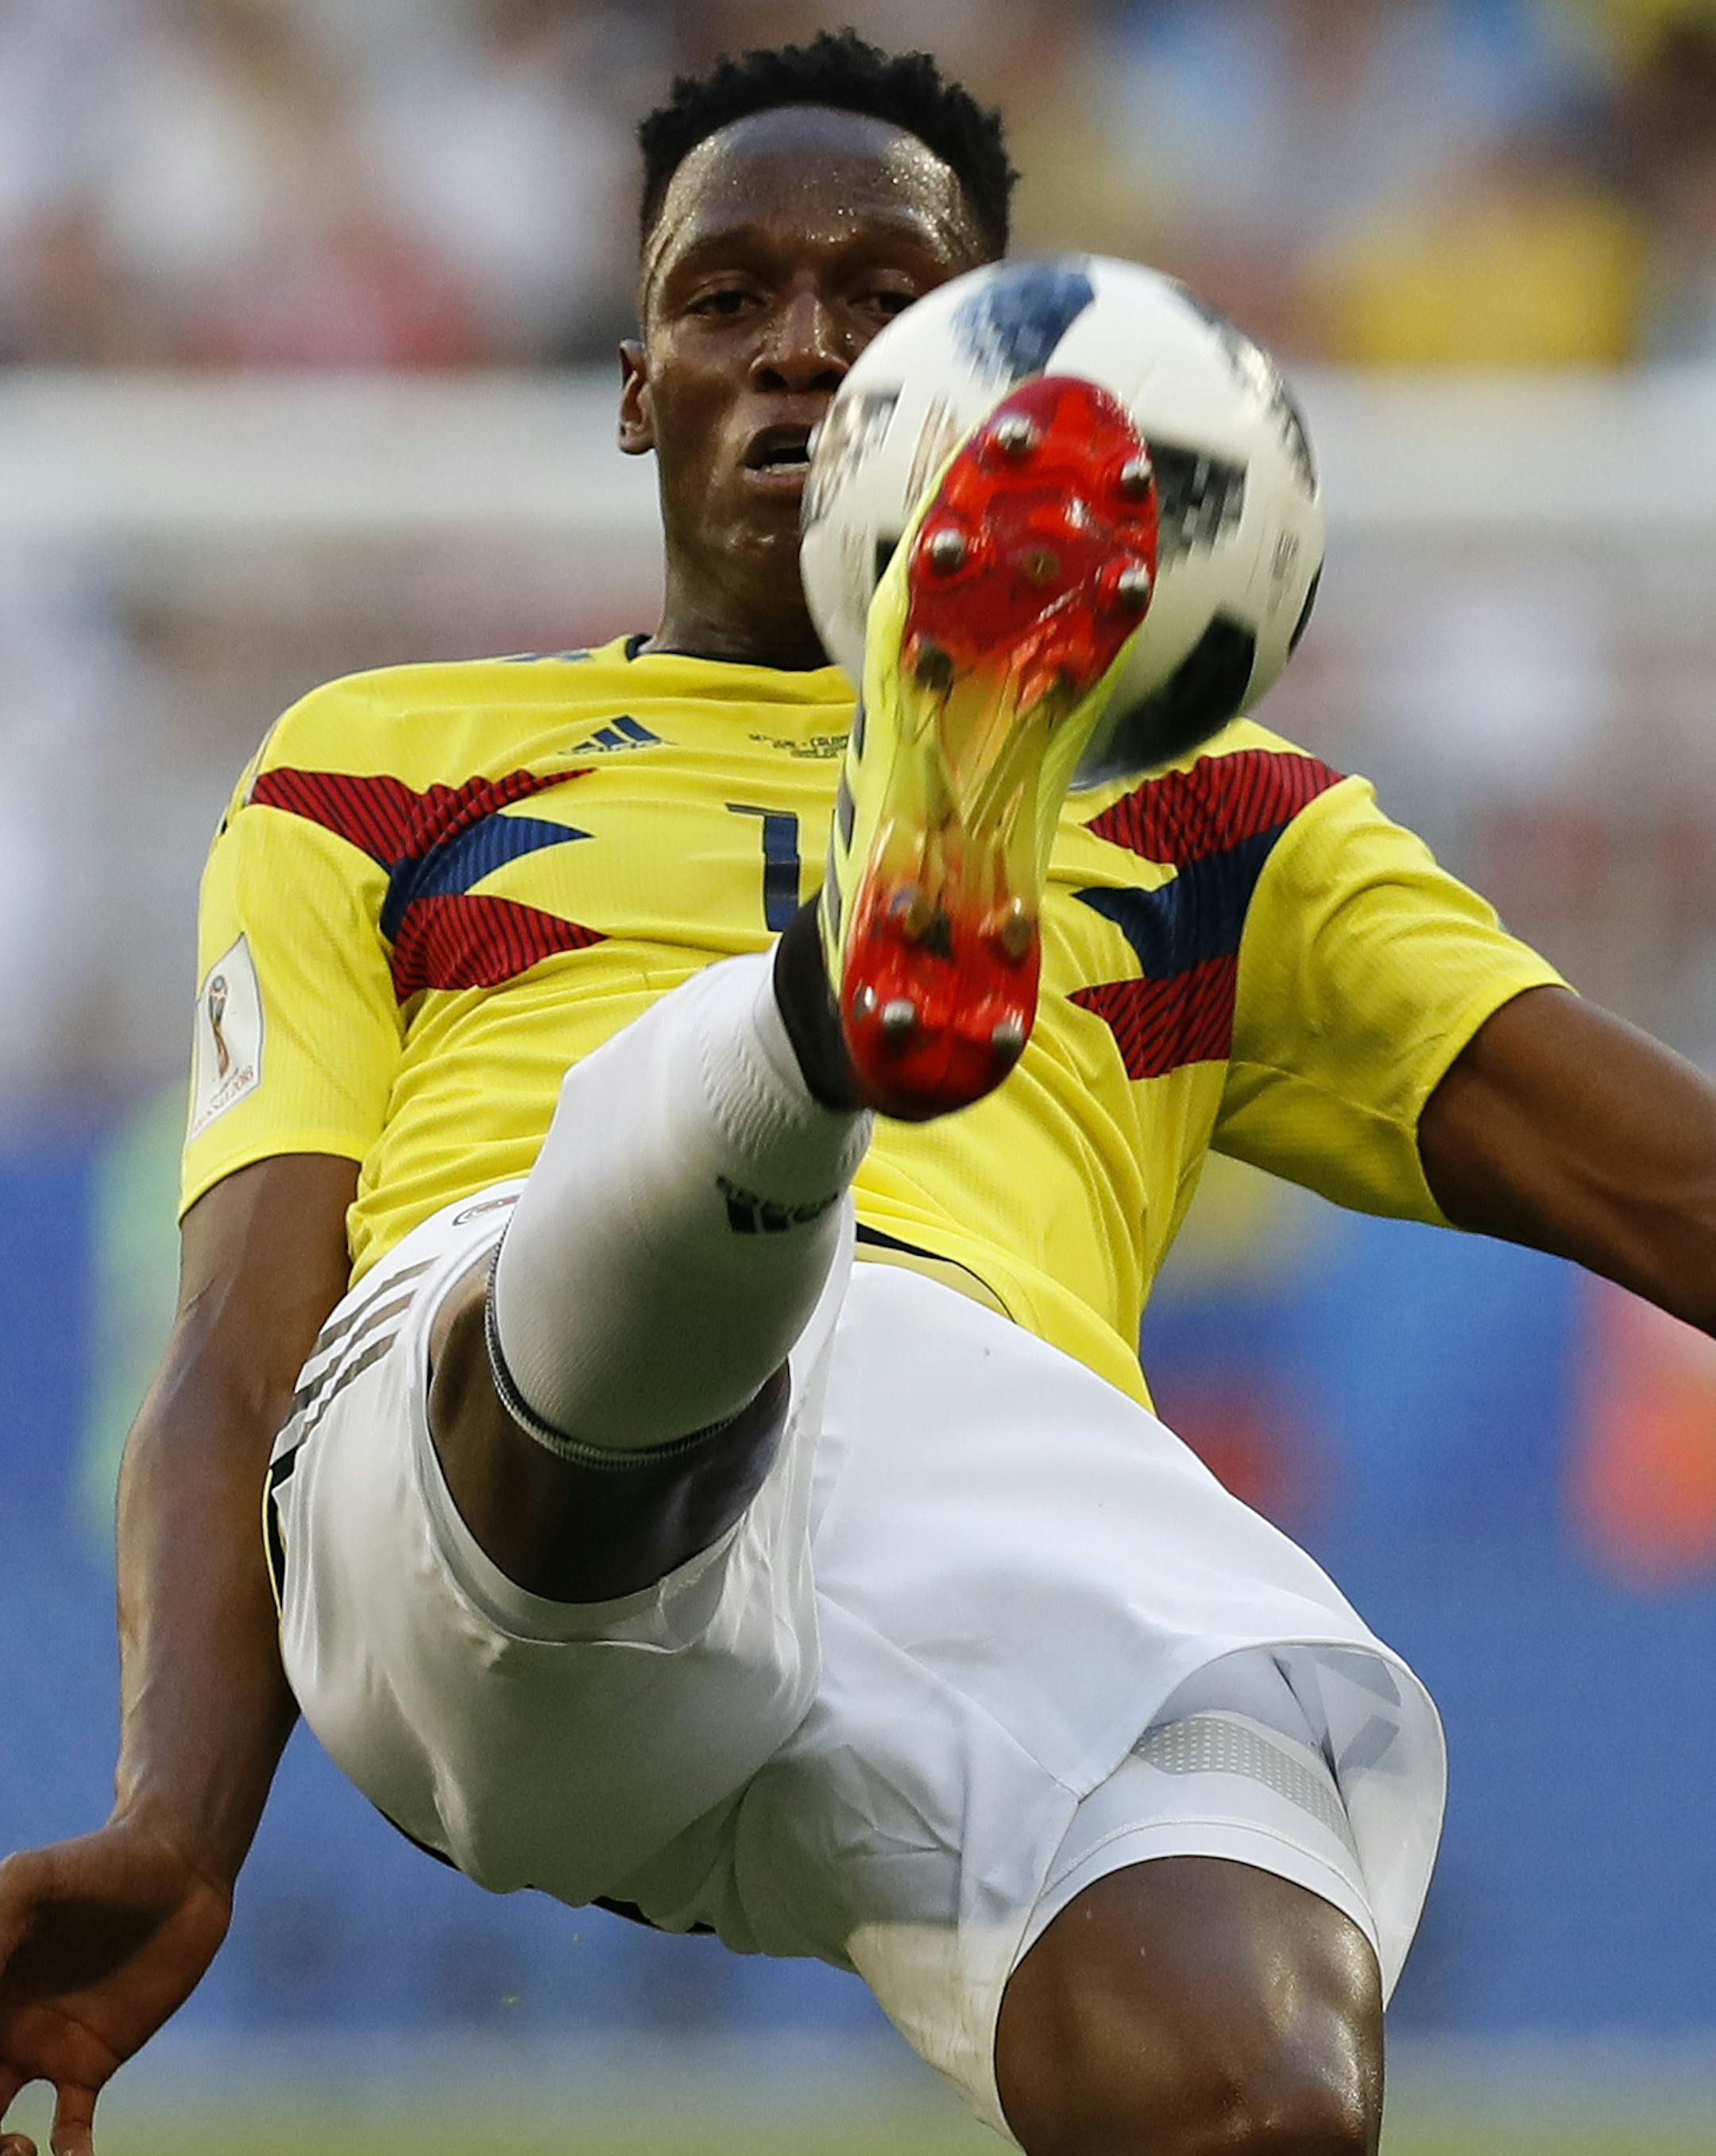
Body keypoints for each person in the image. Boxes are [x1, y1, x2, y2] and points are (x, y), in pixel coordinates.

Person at [3, 31, 1714, 2156]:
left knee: (1256, 2083)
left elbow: (1665, 1181)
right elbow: (235, 1340)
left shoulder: (1219, 827)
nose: (802, 352)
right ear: (635, 387)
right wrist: (171, 1819)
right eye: (725, 300)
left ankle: (860, 966)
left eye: (882, 308)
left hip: (971, 1484)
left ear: (993, 395)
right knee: (614, 1282)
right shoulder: (381, 753)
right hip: (483, 1451)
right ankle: (834, 1008)